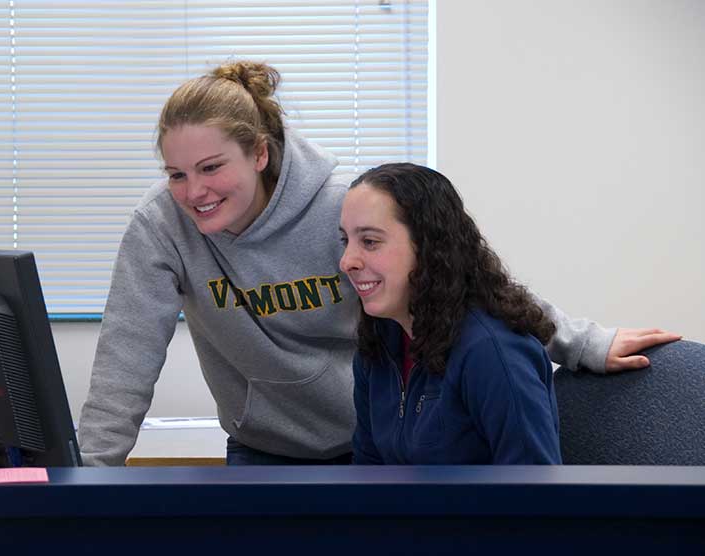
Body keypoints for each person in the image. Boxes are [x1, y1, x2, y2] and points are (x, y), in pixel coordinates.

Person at [77, 60, 680, 467]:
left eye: (212, 167)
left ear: (260, 153)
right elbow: (123, 365)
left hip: (373, 445)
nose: (194, 191)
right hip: (267, 448)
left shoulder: (344, 210)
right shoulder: (162, 227)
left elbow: (462, 272)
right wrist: (85, 485)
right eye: (176, 174)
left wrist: (581, 342)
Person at [342, 163, 562, 464]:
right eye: (346, 241)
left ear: (428, 246)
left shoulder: (491, 352)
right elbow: (367, 474)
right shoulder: (379, 342)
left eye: (369, 241)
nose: (346, 261)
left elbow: (537, 497)